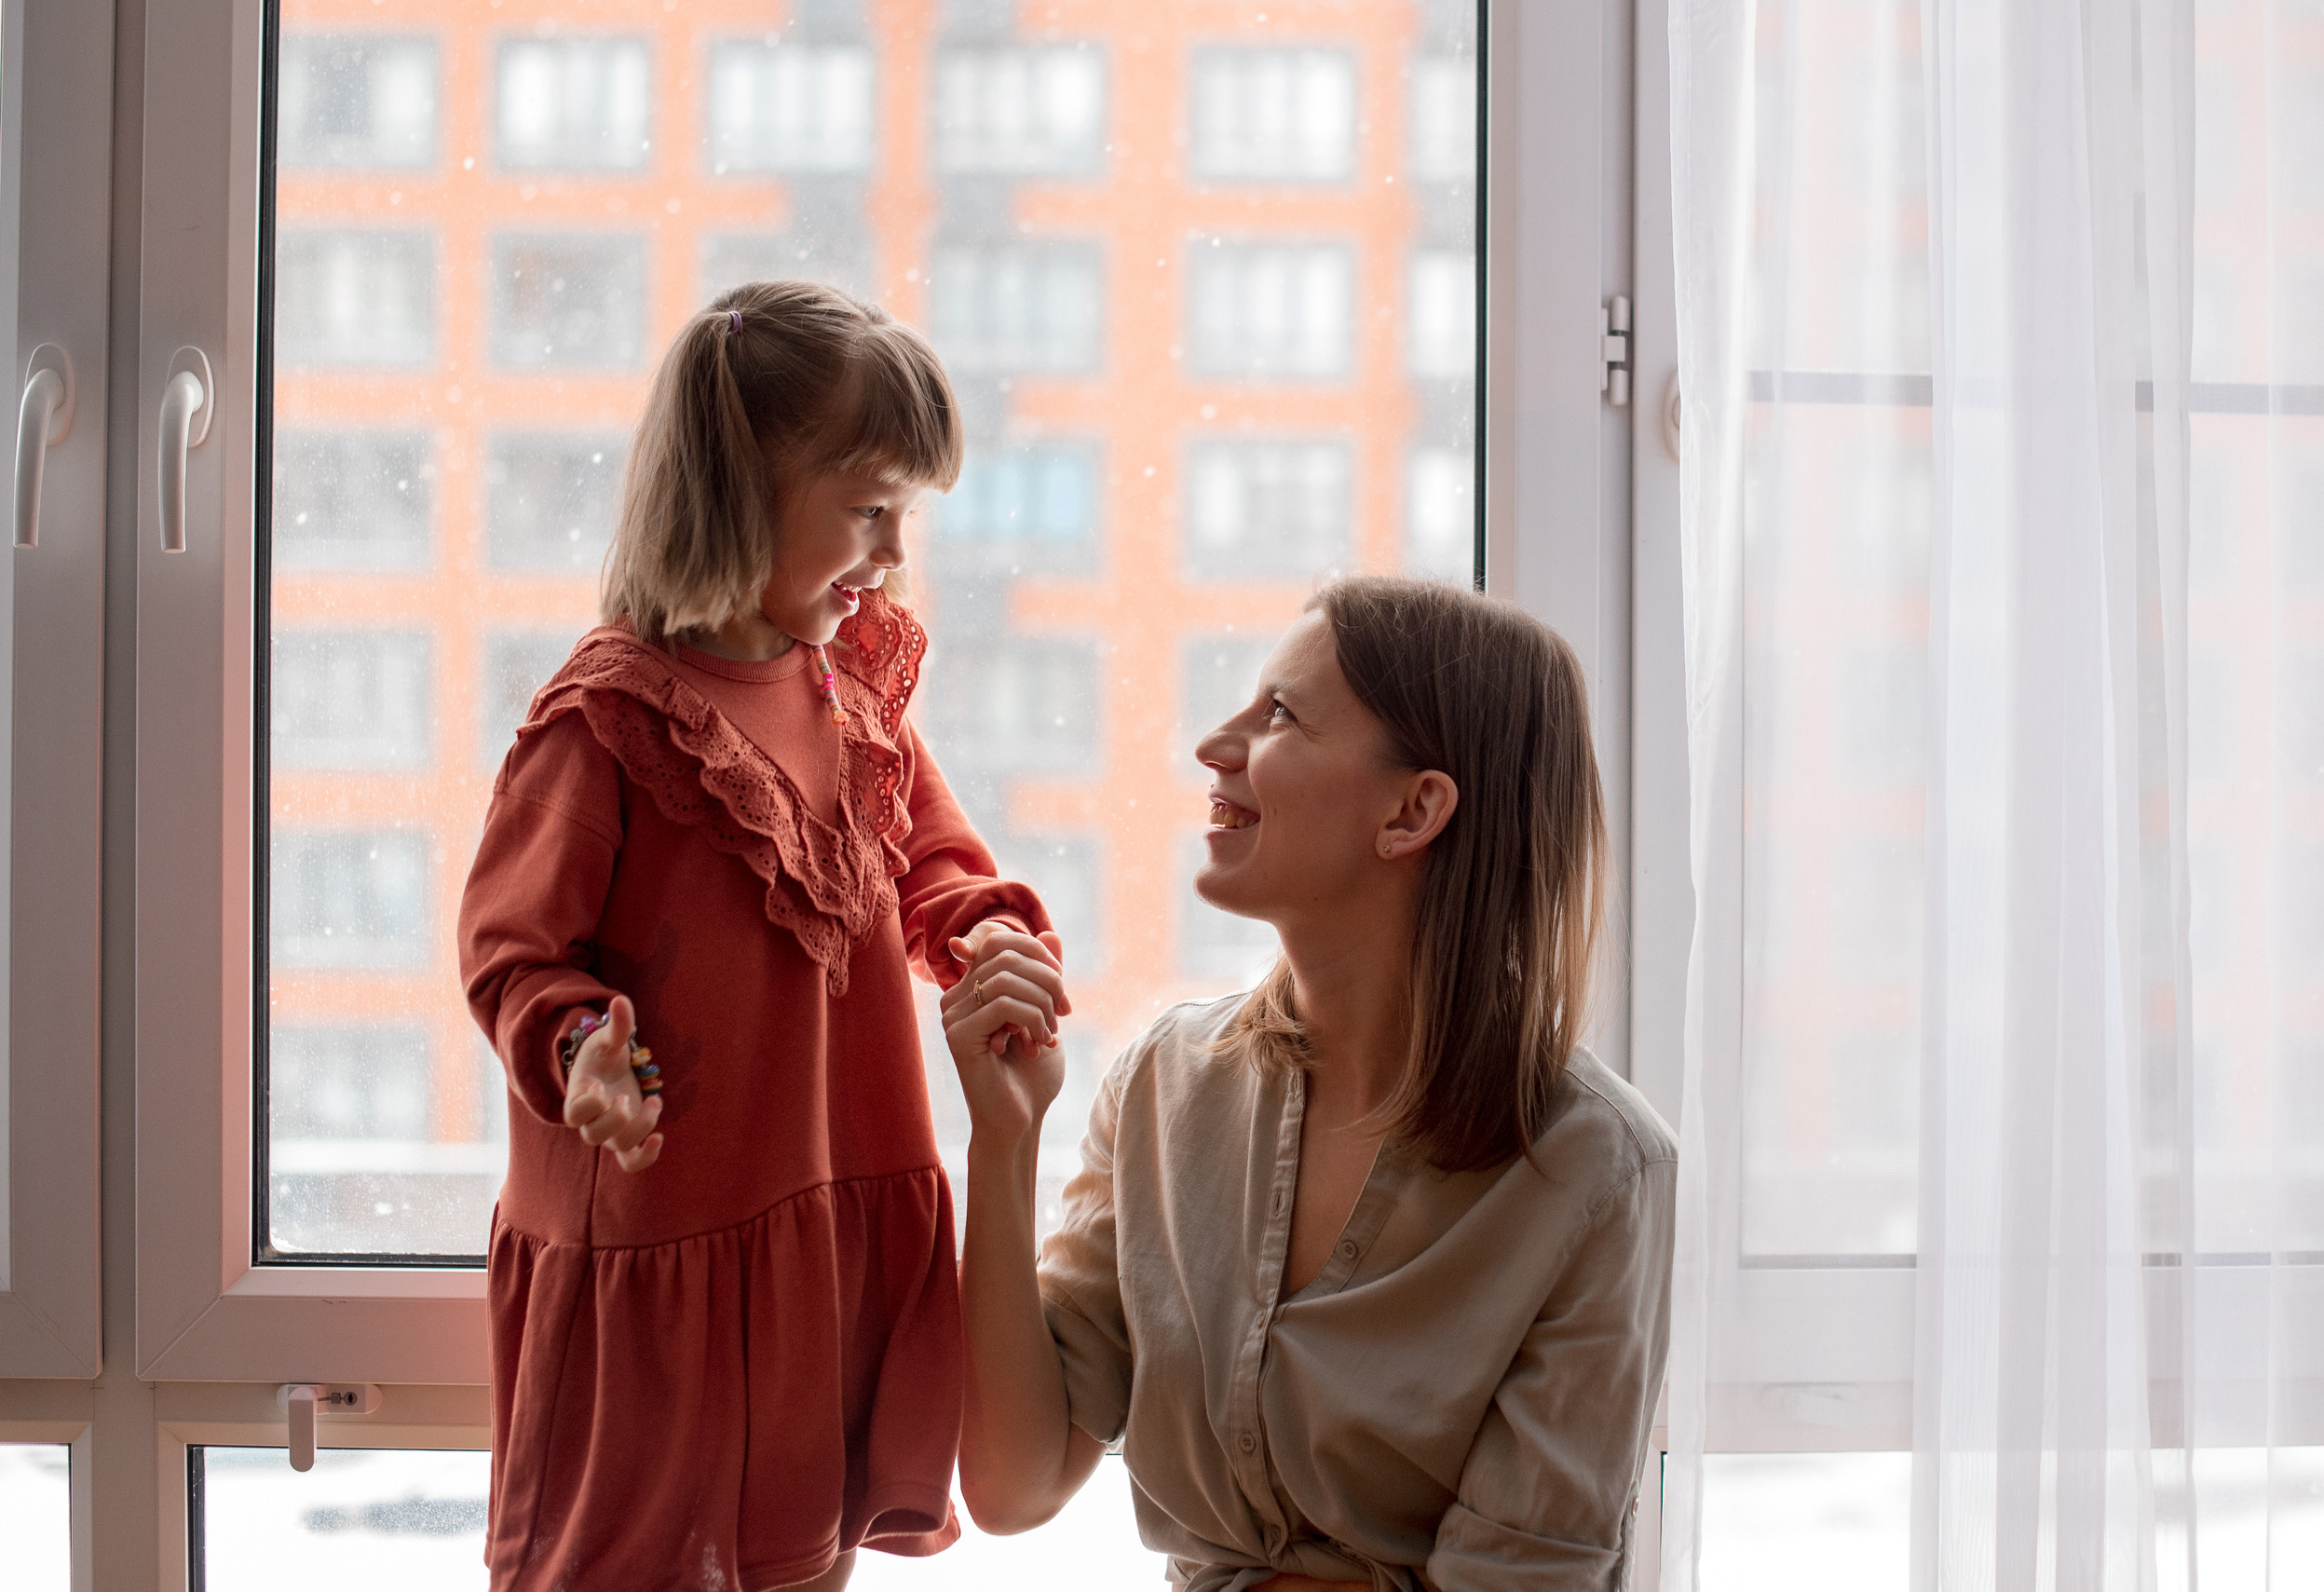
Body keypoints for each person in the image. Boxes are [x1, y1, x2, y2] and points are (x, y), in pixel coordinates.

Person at [458, 280, 1068, 1592]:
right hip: (660, 1259)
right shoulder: (606, 720)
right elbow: (511, 949)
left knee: (803, 1556)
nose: (894, 548)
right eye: (868, 506)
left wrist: (985, 940)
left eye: (906, 508)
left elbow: (936, 861)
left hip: (824, 1232)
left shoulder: (852, 688)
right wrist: (578, 1050)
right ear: (741, 488)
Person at [945, 577, 1676, 1590]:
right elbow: (1012, 1484)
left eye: (1279, 713)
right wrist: (1005, 1137)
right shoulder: (1165, 1083)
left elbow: (1519, 1577)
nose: (1215, 742)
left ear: (1413, 809)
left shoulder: (1597, 1171)